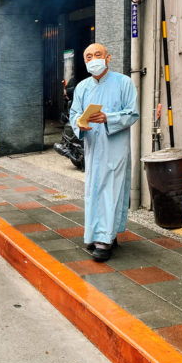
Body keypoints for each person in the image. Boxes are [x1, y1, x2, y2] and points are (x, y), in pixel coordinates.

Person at [69, 43, 139, 262]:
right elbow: (74, 112)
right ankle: (97, 234)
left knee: (112, 191)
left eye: (97, 55)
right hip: (93, 147)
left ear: (108, 58)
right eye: (88, 56)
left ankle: (105, 240)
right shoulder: (82, 87)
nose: (93, 59)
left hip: (115, 147)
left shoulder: (124, 83)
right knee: (94, 191)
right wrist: (79, 123)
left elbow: (132, 113)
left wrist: (108, 117)